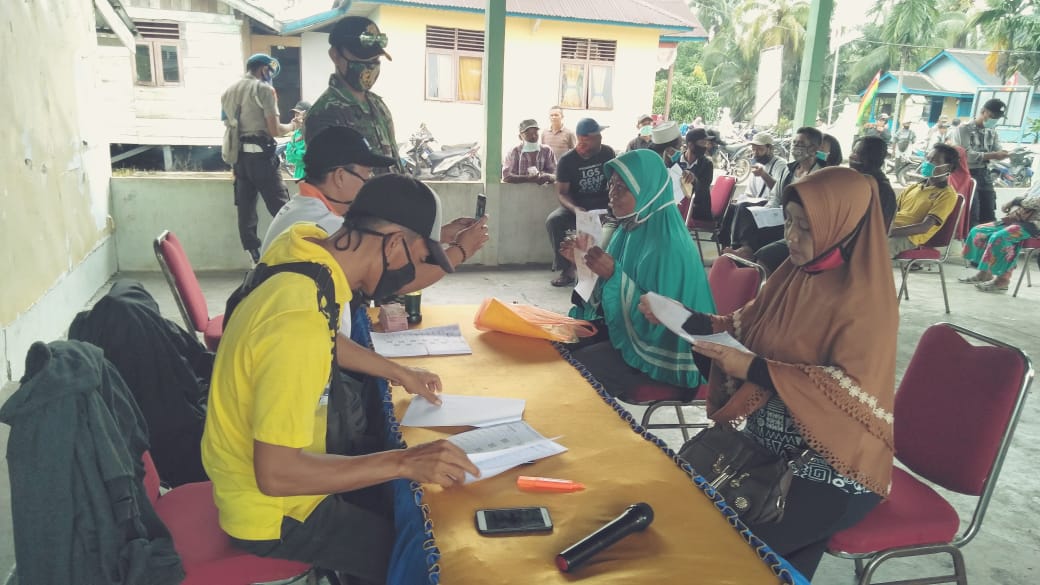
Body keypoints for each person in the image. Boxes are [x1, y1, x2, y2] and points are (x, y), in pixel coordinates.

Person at [201, 176, 481, 584]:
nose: (407, 277)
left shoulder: (306, 253)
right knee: (420, 557)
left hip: (271, 477)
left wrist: (398, 372)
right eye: (416, 260)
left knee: (404, 501)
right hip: (273, 512)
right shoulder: (296, 323)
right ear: (392, 245)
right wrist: (404, 462)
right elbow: (276, 475)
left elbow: (326, 336)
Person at [639, 167, 897, 579]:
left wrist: (754, 368)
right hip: (769, 448)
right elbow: (741, 328)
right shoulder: (795, 274)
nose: (791, 236)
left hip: (834, 467)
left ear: (841, 227)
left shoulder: (866, 302)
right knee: (686, 514)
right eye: (790, 221)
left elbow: (848, 392)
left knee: (725, 552)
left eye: (806, 227)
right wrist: (682, 319)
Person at [563, 149, 715, 397]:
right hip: (629, 335)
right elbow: (606, 301)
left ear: (648, 191)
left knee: (575, 368)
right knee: (558, 343)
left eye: (622, 188)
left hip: (666, 358)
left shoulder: (668, 246)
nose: (612, 194)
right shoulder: (630, 229)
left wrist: (613, 274)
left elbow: (661, 320)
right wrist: (584, 265)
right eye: (611, 185)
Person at [261, 126, 489, 286]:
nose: (369, 182)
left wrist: (437, 235)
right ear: (340, 176)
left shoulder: (307, 207)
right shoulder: (323, 226)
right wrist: (462, 250)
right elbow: (392, 278)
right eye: (366, 174)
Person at [220, 53, 295, 264]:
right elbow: (275, 130)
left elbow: (229, 122)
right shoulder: (264, 89)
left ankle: (254, 254)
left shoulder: (228, 92)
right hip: (262, 159)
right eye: (270, 73)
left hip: (239, 160)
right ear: (264, 70)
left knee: (246, 209)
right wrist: (294, 126)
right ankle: (293, 252)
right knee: (283, 209)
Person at [306, 16, 400, 174]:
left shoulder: (377, 104)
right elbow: (334, 184)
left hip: (391, 195)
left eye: (375, 59)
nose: (370, 65)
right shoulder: (324, 115)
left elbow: (393, 158)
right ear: (335, 55)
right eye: (362, 58)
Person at [724, 127, 825, 259]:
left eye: (800, 144)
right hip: (779, 212)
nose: (795, 148)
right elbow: (776, 196)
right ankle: (742, 249)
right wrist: (764, 213)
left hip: (799, 220)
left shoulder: (820, 174)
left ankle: (746, 252)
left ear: (813, 148)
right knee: (744, 209)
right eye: (794, 143)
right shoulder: (789, 170)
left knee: (763, 247)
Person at [547, 118, 616, 287]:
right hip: (579, 206)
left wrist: (611, 206)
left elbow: (615, 181)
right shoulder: (567, 161)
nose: (601, 137)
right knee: (554, 221)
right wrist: (575, 209)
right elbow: (562, 193)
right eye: (597, 135)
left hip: (605, 205)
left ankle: (612, 267)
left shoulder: (607, 153)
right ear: (583, 138)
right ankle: (567, 270)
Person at [888, 144, 961, 258]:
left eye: (935, 161)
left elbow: (924, 227)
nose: (928, 163)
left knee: (874, 251)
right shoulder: (912, 188)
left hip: (909, 238)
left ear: (948, 167)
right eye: (928, 159)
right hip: (892, 230)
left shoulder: (947, 194)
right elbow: (891, 213)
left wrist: (889, 232)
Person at [959, 189, 1040, 292]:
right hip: (1017, 219)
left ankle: (1003, 280)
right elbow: (1025, 198)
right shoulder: (1037, 183)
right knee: (978, 231)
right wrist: (1014, 203)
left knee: (1000, 237)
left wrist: (1016, 201)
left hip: (1034, 226)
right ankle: (985, 273)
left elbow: (1036, 202)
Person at [716, 133, 787, 249]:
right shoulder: (758, 164)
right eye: (754, 150)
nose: (756, 153)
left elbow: (778, 190)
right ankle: (724, 245)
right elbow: (751, 192)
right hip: (758, 202)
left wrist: (763, 174)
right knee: (733, 207)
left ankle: (740, 246)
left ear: (770, 149)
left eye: (760, 149)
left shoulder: (780, 165)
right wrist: (740, 199)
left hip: (773, 205)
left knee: (743, 207)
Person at [958, 98, 1009, 226]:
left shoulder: (992, 132)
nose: (995, 119)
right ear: (983, 111)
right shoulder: (964, 129)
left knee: (989, 216)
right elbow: (967, 156)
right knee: (972, 215)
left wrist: (1004, 154)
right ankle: (970, 245)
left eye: (997, 117)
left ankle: (986, 244)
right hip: (968, 175)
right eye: (992, 116)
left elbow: (998, 151)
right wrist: (994, 155)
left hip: (985, 175)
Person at [849, 135, 897, 228]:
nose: (851, 156)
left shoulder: (883, 190)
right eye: (853, 151)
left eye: (858, 153)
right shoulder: (855, 180)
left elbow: (880, 228)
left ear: (872, 158)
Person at [502, 119, 557, 184]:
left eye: (535, 133)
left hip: (542, 193)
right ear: (520, 137)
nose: (533, 136)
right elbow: (506, 177)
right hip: (520, 193)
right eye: (528, 134)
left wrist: (548, 177)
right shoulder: (514, 152)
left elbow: (556, 174)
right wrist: (527, 178)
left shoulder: (546, 151)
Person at [681, 128, 715, 222]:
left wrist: (693, 180)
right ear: (690, 145)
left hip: (697, 210)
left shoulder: (707, 164)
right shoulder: (676, 161)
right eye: (702, 143)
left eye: (706, 143)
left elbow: (702, 190)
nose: (706, 147)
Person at [283, 100, 311, 179]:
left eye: (298, 114)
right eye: (295, 114)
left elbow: (310, 156)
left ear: (307, 114)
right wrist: (299, 154)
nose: (295, 117)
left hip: (312, 177)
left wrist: (294, 152)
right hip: (298, 176)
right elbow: (289, 157)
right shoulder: (296, 134)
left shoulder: (313, 132)